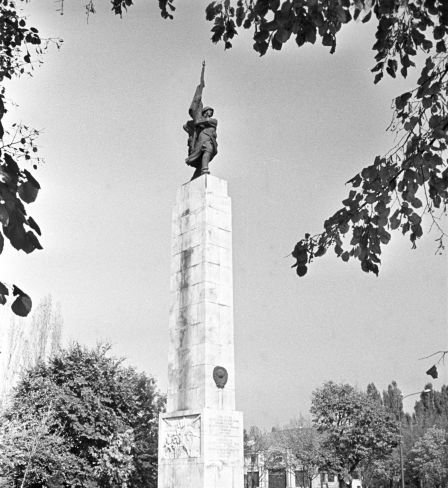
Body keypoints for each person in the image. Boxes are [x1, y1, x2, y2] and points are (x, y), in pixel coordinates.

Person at [183, 62, 218, 179]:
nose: (210, 113)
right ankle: (204, 169)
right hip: (203, 137)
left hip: (210, 137)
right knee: (205, 150)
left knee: (209, 149)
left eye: (211, 112)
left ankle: (203, 169)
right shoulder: (202, 120)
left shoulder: (213, 121)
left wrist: (200, 121)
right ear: (204, 112)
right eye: (208, 111)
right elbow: (197, 121)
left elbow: (204, 122)